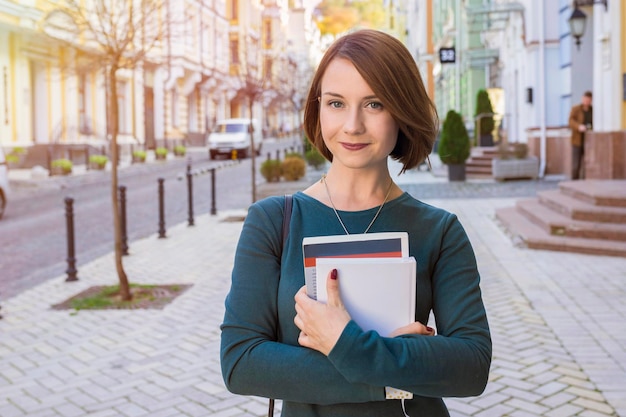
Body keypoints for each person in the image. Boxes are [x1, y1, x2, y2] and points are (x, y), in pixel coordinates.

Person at [220, 29, 491, 416]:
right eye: (335, 103)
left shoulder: (440, 231)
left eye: (375, 104)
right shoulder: (272, 222)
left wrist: (345, 343)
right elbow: (241, 362)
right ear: (318, 108)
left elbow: (472, 367)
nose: (352, 125)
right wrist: (396, 368)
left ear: (402, 111)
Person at [568, 91, 593, 180]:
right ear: (582, 99)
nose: (586, 101)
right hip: (577, 140)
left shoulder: (592, 110)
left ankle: (585, 181)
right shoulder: (576, 109)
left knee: (587, 164)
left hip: (589, 141)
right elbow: (571, 121)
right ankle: (574, 182)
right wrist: (578, 126)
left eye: (588, 100)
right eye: (585, 99)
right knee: (576, 164)